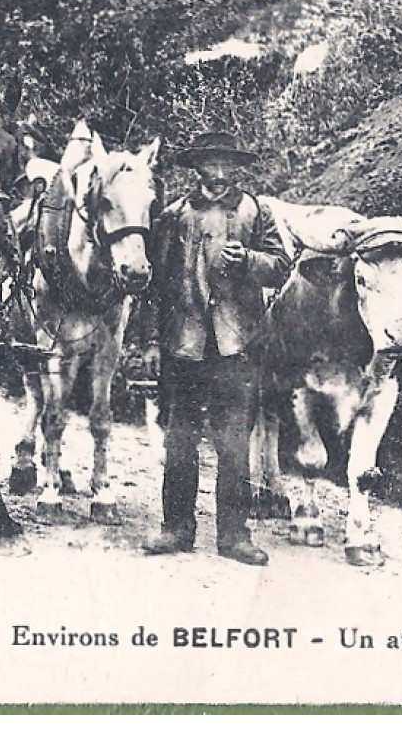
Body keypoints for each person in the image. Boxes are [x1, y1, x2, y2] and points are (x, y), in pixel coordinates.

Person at [144, 131, 291, 566]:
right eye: (212, 164)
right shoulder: (174, 216)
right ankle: (176, 528)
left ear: (236, 169)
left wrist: (247, 259)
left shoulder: (255, 211)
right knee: (181, 440)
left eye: (228, 164)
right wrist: (152, 342)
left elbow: (281, 267)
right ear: (199, 168)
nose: (220, 173)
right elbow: (155, 286)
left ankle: (234, 536)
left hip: (236, 345)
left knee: (233, 444)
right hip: (183, 344)